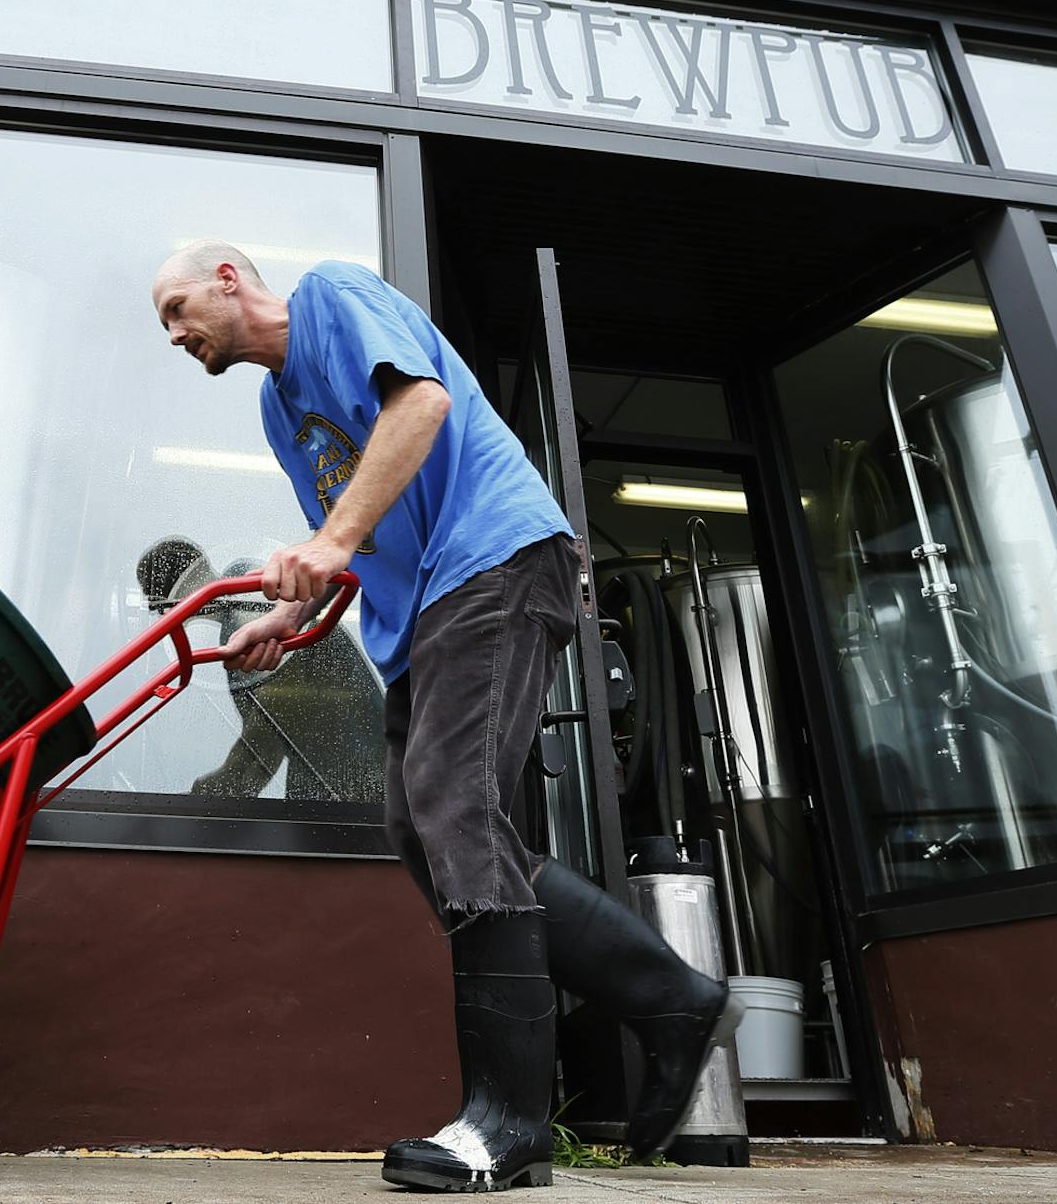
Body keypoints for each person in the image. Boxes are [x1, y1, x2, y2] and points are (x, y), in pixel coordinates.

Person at [149, 241, 741, 1193]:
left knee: (452, 803)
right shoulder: (278, 408)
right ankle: (671, 999)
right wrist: (288, 610)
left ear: (229, 279)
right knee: (419, 826)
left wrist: (331, 540)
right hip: (424, 608)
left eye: (177, 308)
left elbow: (420, 404)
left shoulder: (333, 300)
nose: (174, 332)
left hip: (495, 557)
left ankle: (508, 1123)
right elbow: (354, 528)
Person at [132, 535, 384, 802]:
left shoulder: (249, 611)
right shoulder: (248, 595)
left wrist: (202, 799)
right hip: (331, 767)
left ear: (173, 602)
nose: (164, 619)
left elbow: (264, 742)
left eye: (161, 610)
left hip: (359, 783)